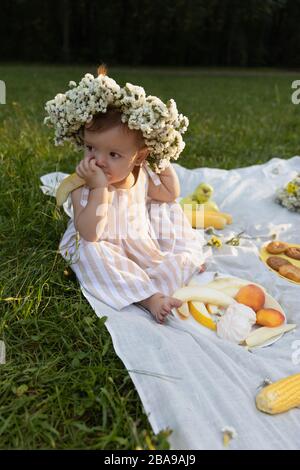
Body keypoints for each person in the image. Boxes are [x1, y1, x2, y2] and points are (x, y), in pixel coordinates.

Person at [44, 65, 207, 324]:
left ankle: (181, 266)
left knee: (167, 209)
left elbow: (168, 193)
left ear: (138, 158)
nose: (98, 160)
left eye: (113, 155)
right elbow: (90, 233)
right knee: (87, 253)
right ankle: (147, 297)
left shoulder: (139, 174)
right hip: (105, 248)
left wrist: (161, 156)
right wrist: (99, 189)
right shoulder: (82, 186)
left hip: (140, 243)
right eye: (90, 148)